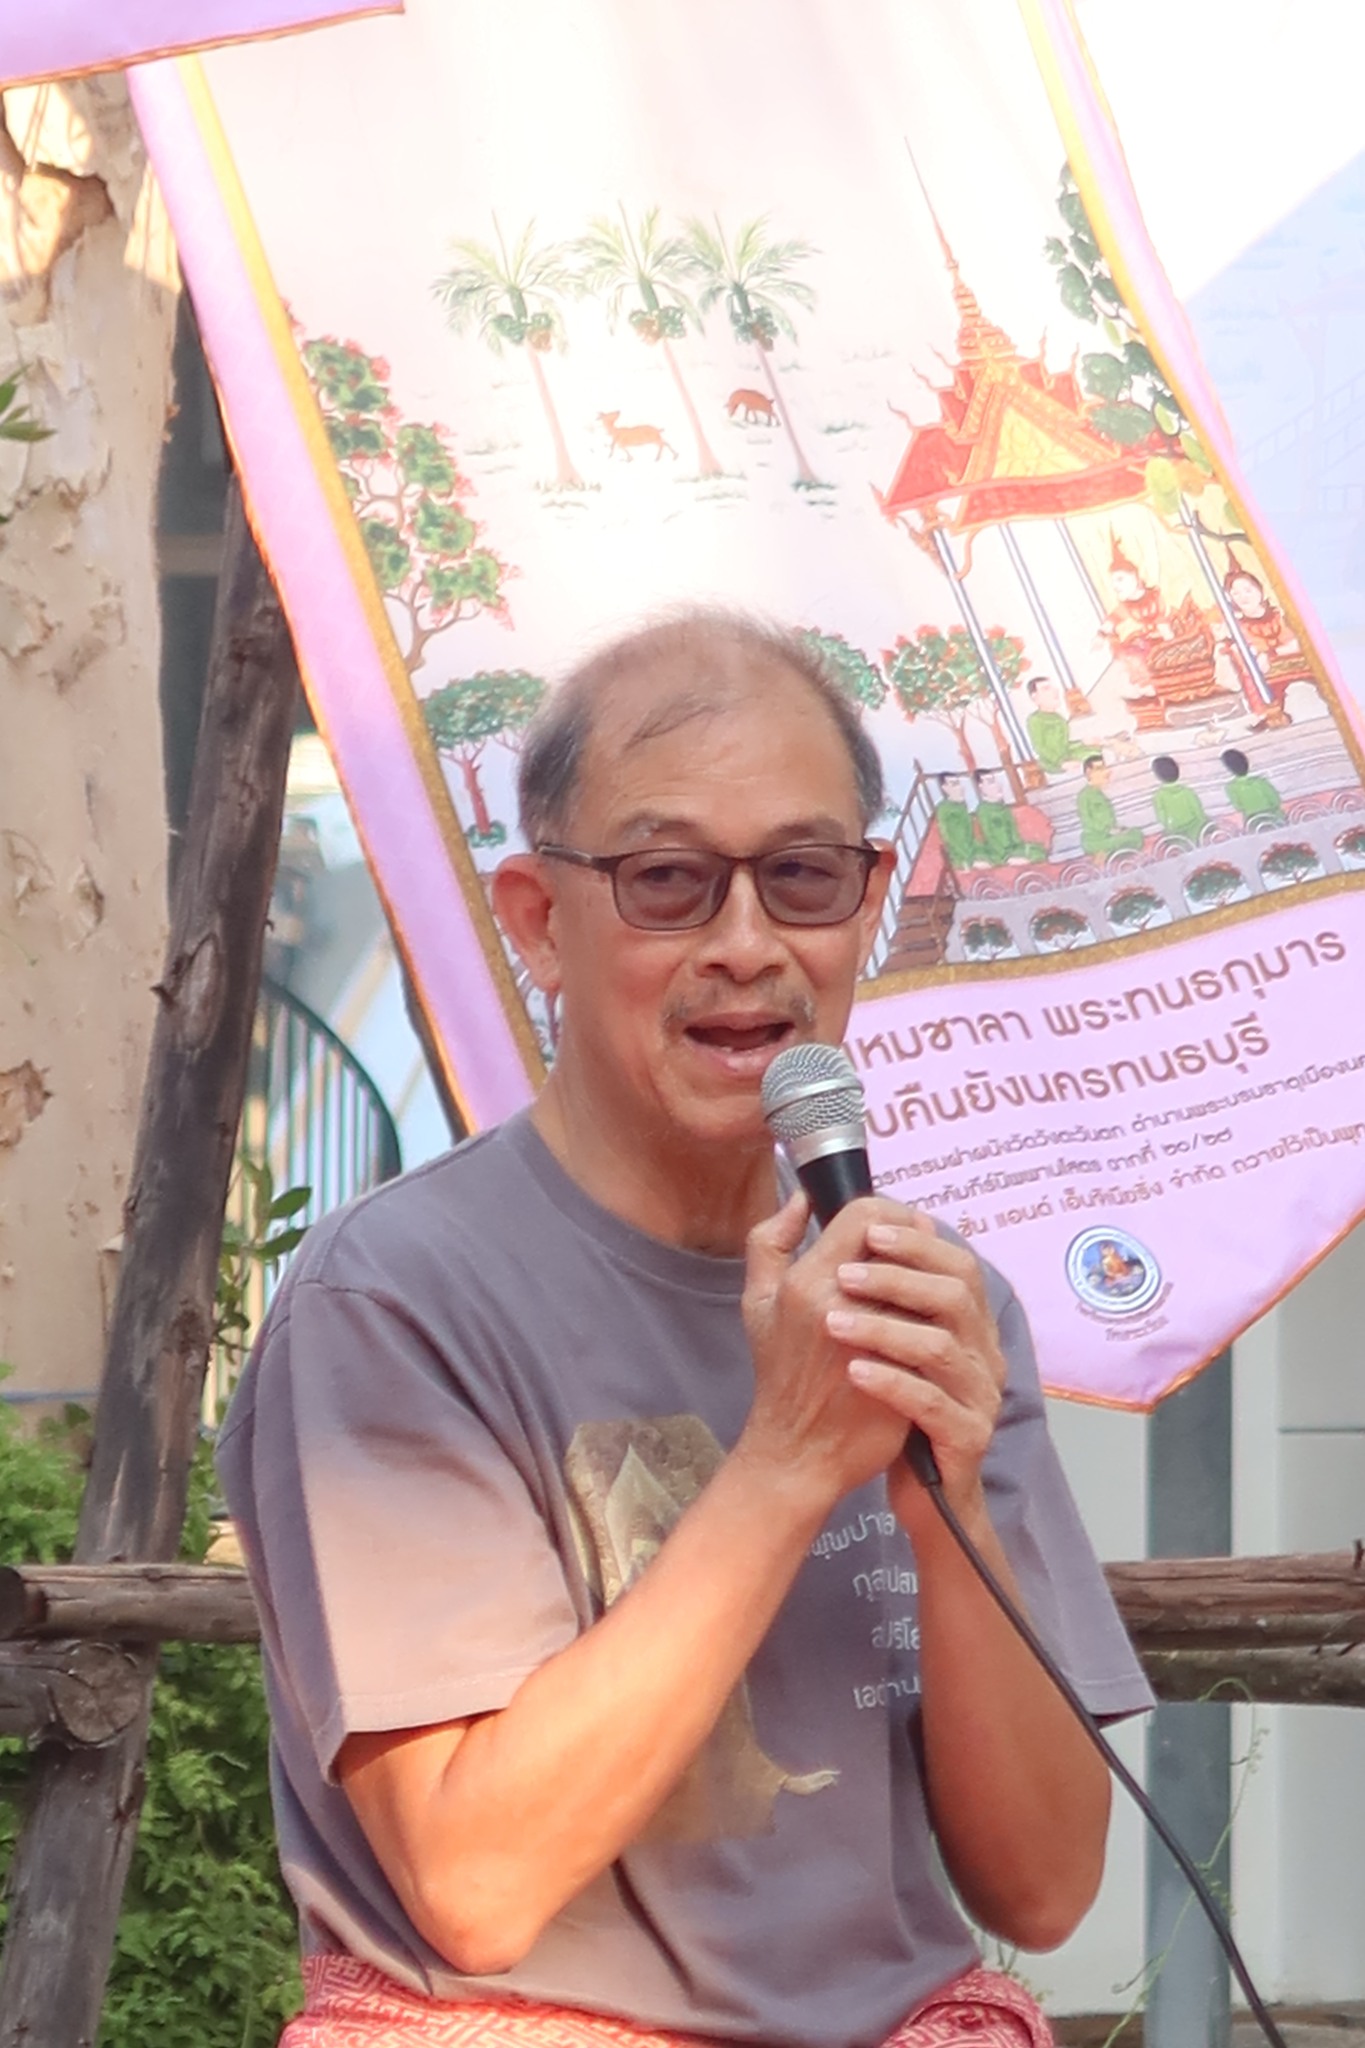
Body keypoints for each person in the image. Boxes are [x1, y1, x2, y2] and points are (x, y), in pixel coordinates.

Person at [218, 612, 1152, 2048]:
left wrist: (944, 1502)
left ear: (867, 903)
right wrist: (787, 1467)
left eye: (802, 876)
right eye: (667, 882)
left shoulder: (927, 1305)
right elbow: (475, 1884)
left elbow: (1043, 1886)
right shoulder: (393, 1301)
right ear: (540, 921)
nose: (748, 946)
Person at [972, 767, 1047, 864]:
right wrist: (1006, 858)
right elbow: (992, 840)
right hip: (1001, 854)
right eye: (991, 782)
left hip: (1015, 849)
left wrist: (1023, 848)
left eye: (995, 781)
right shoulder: (984, 811)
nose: (998, 785)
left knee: (1038, 850)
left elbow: (1015, 838)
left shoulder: (1005, 809)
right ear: (981, 787)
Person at [1076, 754, 1144, 860]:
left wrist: (1118, 829)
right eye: (1100, 769)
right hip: (1095, 839)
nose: (1106, 772)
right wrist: (1108, 830)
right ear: (1089, 772)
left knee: (1136, 833)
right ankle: (1104, 854)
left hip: (1109, 834)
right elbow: (1087, 821)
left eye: (1105, 768)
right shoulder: (1084, 796)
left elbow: (1110, 820)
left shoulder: (1099, 794)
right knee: (1130, 839)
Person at [1024, 677, 1088, 776]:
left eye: (1053, 687)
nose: (1054, 691)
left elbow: (1064, 745)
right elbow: (1040, 748)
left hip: (1067, 756)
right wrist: (1061, 763)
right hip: (1051, 764)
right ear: (1035, 698)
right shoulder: (1035, 720)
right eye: (1046, 689)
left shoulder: (1059, 718)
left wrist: (1083, 742)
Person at [931, 770, 983, 872]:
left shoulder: (961, 806)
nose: (960, 788)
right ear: (945, 788)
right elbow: (953, 839)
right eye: (954, 784)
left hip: (973, 851)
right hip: (962, 859)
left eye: (958, 783)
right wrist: (967, 862)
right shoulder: (946, 810)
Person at [1149, 756, 1209, 844]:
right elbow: (1197, 809)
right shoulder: (1187, 791)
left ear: (1158, 776)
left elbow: (1162, 817)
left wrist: (1168, 828)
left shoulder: (1159, 796)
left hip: (1176, 830)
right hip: (1195, 826)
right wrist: (1203, 821)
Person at [1221, 746, 1285, 825]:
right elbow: (1276, 800)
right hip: (1275, 819)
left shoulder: (1231, 788)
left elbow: (1238, 807)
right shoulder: (1261, 782)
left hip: (1253, 822)